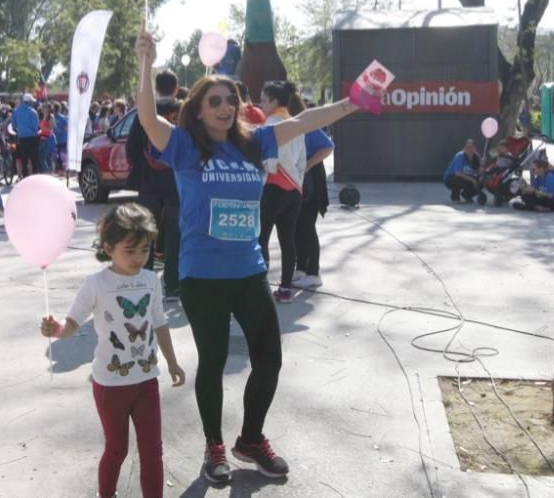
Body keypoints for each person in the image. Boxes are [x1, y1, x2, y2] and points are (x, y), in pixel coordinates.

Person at [134, 28, 362, 483]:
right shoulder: (184, 146)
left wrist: (350, 103)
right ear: (197, 110)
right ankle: (214, 446)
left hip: (249, 271)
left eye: (229, 101)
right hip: (203, 275)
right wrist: (146, 63)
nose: (224, 107)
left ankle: (251, 438)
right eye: (214, 102)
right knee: (213, 362)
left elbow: (303, 121)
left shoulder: (254, 142)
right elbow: (147, 117)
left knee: (269, 358)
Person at [41, 203, 185, 498]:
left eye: (144, 250)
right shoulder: (96, 284)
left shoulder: (150, 281)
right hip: (110, 385)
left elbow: (159, 322)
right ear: (108, 247)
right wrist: (55, 329)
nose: (138, 258)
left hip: (146, 382)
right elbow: (71, 324)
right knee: (117, 449)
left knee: (152, 453)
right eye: (129, 250)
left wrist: (172, 362)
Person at [126, 69, 183, 301]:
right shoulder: (184, 112)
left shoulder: (146, 112)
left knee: (146, 231)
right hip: (176, 181)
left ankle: (145, 280)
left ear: (157, 88)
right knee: (174, 233)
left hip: (149, 182)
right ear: (176, 88)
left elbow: (131, 148)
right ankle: (172, 284)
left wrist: (144, 169)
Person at [257, 81, 306, 304]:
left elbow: (270, 161)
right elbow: (302, 161)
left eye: (264, 100)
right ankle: (286, 289)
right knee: (288, 240)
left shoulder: (272, 123)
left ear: (275, 102)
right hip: (294, 189)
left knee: (261, 238)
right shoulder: (295, 123)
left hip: (273, 188)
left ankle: (259, 288)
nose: (261, 104)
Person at [293, 126, 334, 289]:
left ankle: (313, 272)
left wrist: (308, 164)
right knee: (296, 227)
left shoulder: (306, 125)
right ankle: (301, 267)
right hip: (296, 179)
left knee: (307, 227)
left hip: (310, 182)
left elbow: (328, 146)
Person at [11, 94, 40, 179]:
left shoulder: (16, 111)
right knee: (34, 160)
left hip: (22, 139)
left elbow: (13, 126)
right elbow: (36, 126)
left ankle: (25, 178)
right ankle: (35, 178)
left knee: (24, 160)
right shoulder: (33, 111)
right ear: (30, 102)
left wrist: (20, 130)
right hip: (32, 138)